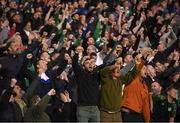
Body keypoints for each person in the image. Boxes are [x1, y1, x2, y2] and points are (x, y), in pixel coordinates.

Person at [99, 57, 138, 122]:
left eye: (119, 66)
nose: (118, 68)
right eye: (116, 66)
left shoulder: (120, 78)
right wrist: (114, 66)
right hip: (105, 114)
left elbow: (132, 75)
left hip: (117, 114)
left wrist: (137, 66)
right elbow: (103, 71)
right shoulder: (105, 78)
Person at [121, 56, 151, 122]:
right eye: (144, 69)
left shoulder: (145, 86)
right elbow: (137, 69)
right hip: (127, 114)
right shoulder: (133, 79)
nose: (146, 71)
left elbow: (145, 105)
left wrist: (147, 120)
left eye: (146, 69)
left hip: (137, 115)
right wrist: (143, 58)